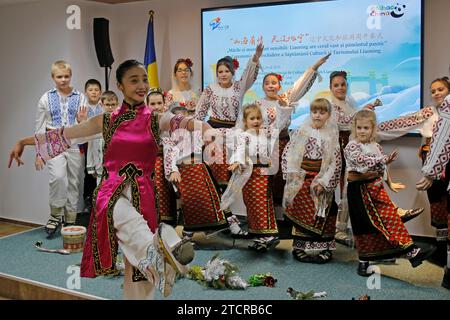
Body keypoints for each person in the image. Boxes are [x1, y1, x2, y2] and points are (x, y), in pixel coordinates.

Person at [8, 59, 210, 299]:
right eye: (134, 80)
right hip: (111, 191)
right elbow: (64, 134)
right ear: (120, 86)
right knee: (130, 225)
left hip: (143, 193)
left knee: (136, 269)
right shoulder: (107, 120)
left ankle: (155, 261)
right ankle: (161, 254)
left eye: (144, 79)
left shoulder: (155, 119)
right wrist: (24, 142)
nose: (141, 85)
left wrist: (205, 128)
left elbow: (182, 122)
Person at [330, 71, 422, 244]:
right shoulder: (331, 105)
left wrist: (364, 111)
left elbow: (356, 122)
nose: (340, 88)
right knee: (346, 191)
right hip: (340, 150)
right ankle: (340, 229)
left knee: (365, 187)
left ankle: (389, 215)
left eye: (343, 84)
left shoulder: (350, 103)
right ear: (330, 88)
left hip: (352, 149)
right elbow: (344, 122)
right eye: (336, 85)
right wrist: (362, 112)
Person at [344, 110, 435, 276]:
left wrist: (390, 183)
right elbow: (361, 161)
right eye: (359, 128)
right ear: (354, 128)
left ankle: (411, 252)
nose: (362, 131)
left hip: (375, 187)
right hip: (359, 189)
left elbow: (381, 168)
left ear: (372, 130)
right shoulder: (352, 146)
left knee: (391, 218)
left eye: (366, 128)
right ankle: (364, 262)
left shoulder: (376, 146)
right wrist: (383, 159)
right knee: (365, 226)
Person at [255, 54, 330, 204]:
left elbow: (299, 85)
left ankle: (284, 212)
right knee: (266, 178)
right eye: (267, 83)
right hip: (266, 145)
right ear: (263, 87)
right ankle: (269, 211)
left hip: (283, 143)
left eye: (274, 83)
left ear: (279, 86)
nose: (270, 85)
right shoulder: (258, 103)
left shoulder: (286, 98)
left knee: (284, 176)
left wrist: (314, 67)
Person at [165, 103, 248, 239]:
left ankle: (234, 227)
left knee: (218, 198)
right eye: (178, 122)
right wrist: (173, 170)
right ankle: (187, 234)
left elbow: (222, 133)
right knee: (190, 203)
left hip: (200, 170)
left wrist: (240, 130)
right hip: (184, 173)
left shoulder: (198, 132)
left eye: (186, 121)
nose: (183, 125)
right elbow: (169, 155)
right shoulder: (170, 138)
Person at [195, 41, 264, 189]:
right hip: (213, 130)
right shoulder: (210, 89)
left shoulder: (239, 86)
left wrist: (256, 56)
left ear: (232, 73)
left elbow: (249, 73)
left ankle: (228, 200)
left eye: (227, 71)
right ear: (217, 74)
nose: (223, 74)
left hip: (234, 130)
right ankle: (217, 198)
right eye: (220, 71)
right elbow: (199, 113)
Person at [282, 98, 341, 263]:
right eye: (314, 112)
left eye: (322, 112)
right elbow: (290, 153)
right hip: (302, 177)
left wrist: (323, 182)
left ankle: (325, 248)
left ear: (328, 115)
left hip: (320, 178)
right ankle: (299, 246)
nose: (317, 115)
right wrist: (293, 174)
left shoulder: (331, 137)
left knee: (324, 212)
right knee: (300, 208)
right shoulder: (302, 132)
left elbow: (334, 164)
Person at [34, 60, 87, 236]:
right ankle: (55, 214)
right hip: (53, 141)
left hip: (72, 140)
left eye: (66, 76)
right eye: (59, 76)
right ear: (53, 77)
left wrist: (81, 120)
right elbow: (39, 126)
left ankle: (70, 218)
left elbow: (84, 125)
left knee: (74, 181)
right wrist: (39, 153)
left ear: (71, 76)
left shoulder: (80, 97)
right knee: (58, 177)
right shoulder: (46, 98)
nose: (63, 79)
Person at [222, 104, 281, 251]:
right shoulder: (244, 136)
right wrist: (237, 161)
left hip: (264, 173)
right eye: (252, 118)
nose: (256, 121)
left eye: (258, 118)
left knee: (263, 202)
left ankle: (268, 234)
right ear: (245, 120)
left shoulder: (264, 134)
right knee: (252, 202)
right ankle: (257, 235)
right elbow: (240, 150)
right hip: (250, 173)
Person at [416, 93, 450, 289]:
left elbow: (444, 138)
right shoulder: (430, 112)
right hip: (437, 166)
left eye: (441, 89)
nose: (436, 93)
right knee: (437, 206)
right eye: (433, 90)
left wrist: (430, 171)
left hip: (439, 166)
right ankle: (440, 253)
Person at [145, 87, 178, 226]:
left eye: (159, 103)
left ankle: (166, 225)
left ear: (164, 103)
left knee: (163, 191)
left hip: (163, 162)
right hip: (145, 163)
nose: (156, 107)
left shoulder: (169, 121)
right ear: (146, 105)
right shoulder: (141, 121)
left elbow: (172, 147)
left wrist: (172, 168)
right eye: (152, 104)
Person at [86, 90, 119, 185]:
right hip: (101, 167)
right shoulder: (96, 123)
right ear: (101, 105)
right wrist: (90, 166)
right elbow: (91, 146)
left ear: (117, 104)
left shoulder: (122, 123)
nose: (110, 107)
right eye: (107, 104)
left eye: (113, 104)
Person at [81, 79, 104, 213]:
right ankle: (88, 199)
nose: (94, 92)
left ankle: (101, 199)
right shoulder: (83, 107)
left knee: (103, 171)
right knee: (89, 173)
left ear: (100, 92)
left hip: (102, 143)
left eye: (96, 90)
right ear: (86, 92)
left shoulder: (104, 106)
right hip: (88, 143)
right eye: (91, 90)